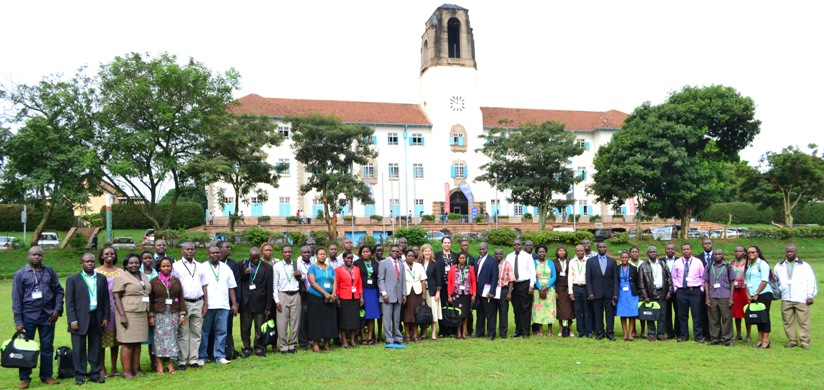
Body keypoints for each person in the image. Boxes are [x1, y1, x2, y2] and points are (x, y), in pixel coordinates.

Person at [12, 247, 64, 388]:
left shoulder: (49, 272)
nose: (36, 257)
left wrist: (57, 309)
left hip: (47, 315)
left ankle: (47, 375)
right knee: (26, 348)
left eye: (39, 255)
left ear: (43, 257)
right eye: (33, 254)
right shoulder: (20, 274)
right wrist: (18, 321)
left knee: (47, 347)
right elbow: (16, 299)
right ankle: (25, 378)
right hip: (28, 316)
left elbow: (59, 291)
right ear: (28, 256)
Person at [66, 253, 109, 385]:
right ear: (81, 263)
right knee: (78, 348)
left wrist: (106, 317)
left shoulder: (101, 278)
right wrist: (72, 320)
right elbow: (69, 301)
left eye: (92, 261)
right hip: (79, 319)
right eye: (87, 261)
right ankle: (80, 375)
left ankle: (95, 374)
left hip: (97, 317)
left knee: (95, 347)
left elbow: (106, 300)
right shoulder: (73, 279)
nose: (90, 263)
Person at [112, 253, 151, 379]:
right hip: (128, 313)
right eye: (131, 263)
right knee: (127, 343)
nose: (134, 265)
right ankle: (127, 371)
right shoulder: (122, 277)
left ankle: (136, 368)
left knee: (138, 342)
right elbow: (116, 296)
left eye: (136, 262)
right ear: (126, 264)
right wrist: (122, 315)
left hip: (142, 311)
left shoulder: (143, 275)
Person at [171, 242, 208, 370]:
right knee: (183, 333)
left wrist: (205, 304)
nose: (190, 251)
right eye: (187, 249)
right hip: (184, 303)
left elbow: (204, 285)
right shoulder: (176, 266)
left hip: (198, 302)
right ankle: (182, 360)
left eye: (192, 249)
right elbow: (174, 287)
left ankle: (193, 359)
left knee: (196, 333)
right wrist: (178, 306)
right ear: (182, 251)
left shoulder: (200, 266)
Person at [199, 245, 238, 364]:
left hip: (223, 305)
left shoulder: (226, 268)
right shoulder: (202, 267)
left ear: (220, 254)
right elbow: (201, 286)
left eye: (217, 253)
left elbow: (231, 287)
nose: (215, 255)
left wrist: (234, 304)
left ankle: (220, 355)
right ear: (208, 254)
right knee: (204, 332)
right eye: (212, 253)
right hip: (208, 306)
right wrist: (204, 305)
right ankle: (202, 356)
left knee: (222, 331)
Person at [774, 244, 817, 349]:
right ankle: (792, 340)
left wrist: (810, 295)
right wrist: (779, 291)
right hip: (786, 297)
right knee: (787, 320)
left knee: (803, 321)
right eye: (787, 251)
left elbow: (811, 280)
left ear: (796, 252)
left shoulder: (804, 266)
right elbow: (775, 281)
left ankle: (804, 341)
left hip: (801, 297)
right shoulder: (779, 266)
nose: (789, 253)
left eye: (792, 251)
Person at [148, 257, 185, 374]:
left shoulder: (176, 280)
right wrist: (151, 315)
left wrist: (182, 314)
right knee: (158, 339)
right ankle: (159, 364)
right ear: (159, 267)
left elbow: (181, 297)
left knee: (172, 339)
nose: (166, 268)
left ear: (171, 267)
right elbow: (150, 300)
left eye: (168, 266)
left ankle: (170, 363)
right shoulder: (154, 282)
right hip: (159, 314)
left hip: (173, 313)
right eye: (163, 266)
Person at [239, 248, 273, 357]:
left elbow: (269, 287)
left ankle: (258, 347)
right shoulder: (243, 264)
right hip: (246, 302)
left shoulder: (267, 267)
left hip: (260, 302)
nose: (256, 260)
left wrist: (268, 306)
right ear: (249, 256)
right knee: (245, 327)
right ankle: (247, 348)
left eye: (258, 258)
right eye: (253, 258)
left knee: (259, 327)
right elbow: (238, 280)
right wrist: (244, 273)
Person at [95, 246, 123, 378]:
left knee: (115, 340)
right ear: (102, 256)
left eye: (112, 253)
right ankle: (102, 368)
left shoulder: (121, 272)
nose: (109, 255)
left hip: (117, 308)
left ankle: (113, 367)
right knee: (101, 339)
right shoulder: (96, 272)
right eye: (106, 253)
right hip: (102, 309)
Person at [210, 241, 240, 361]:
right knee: (208, 330)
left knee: (225, 330)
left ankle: (226, 352)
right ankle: (208, 353)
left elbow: (235, 285)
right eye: (226, 247)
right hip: (211, 303)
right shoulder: (206, 266)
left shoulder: (231, 265)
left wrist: (236, 303)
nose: (229, 249)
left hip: (226, 303)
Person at [672, 243, 705, 343]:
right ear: (681, 251)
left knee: (697, 315)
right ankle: (683, 335)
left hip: (695, 290)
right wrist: (676, 289)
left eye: (688, 249)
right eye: (684, 249)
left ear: (691, 250)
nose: (686, 251)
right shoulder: (677, 262)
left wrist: (701, 289)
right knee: (682, 315)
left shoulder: (698, 262)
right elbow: (673, 276)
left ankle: (698, 336)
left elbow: (703, 276)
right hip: (681, 291)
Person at [637, 246, 672, 341]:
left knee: (662, 314)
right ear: (647, 254)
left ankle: (660, 334)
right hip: (650, 294)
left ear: (657, 253)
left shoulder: (662, 264)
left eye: (654, 251)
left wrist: (669, 292)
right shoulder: (643, 266)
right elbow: (640, 283)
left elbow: (669, 279)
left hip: (662, 292)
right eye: (650, 252)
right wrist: (645, 296)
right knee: (650, 314)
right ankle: (651, 334)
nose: (652, 253)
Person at [273, 244, 303, 354]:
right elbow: (275, 284)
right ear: (282, 253)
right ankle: (283, 346)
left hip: (295, 294)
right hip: (282, 295)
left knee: (295, 321)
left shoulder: (297, 264)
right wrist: (276, 300)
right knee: (282, 322)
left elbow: (303, 278)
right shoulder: (277, 266)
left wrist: (299, 275)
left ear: (292, 253)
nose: (287, 254)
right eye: (285, 252)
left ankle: (292, 344)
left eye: (289, 252)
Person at [307, 247, 338, 352]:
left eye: (324, 254)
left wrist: (333, 294)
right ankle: (315, 344)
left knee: (328, 320)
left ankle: (326, 343)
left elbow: (334, 281)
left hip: (329, 299)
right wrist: (325, 293)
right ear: (316, 256)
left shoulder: (330, 268)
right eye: (320, 254)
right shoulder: (312, 268)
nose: (323, 256)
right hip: (315, 298)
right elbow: (313, 282)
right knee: (316, 321)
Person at [703, 249, 735, 346]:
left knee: (727, 318)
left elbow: (732, 282)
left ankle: (727, 339)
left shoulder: (728, 267)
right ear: (713, 255)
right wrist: (707, 298)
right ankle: (715, 338)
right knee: (713, 319)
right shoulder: (708, 267)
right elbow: (706, 282)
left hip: (725, 296)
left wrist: (731, 297)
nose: (717, 256)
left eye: (719, 254)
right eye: (715, 254)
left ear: (722, 255)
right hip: (712, 296)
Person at [587, 242, 618, 341]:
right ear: (597, 248)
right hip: (596, 293)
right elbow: (588, 279)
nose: (602, 248)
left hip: (609, 293)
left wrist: (615, 293)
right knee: (598, 314)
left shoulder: (612, 261)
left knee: (610, 315)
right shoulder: (590, 261)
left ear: (606, 248)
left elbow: (615, 279)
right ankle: (600, 333)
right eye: (600, 247)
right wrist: (590, 293)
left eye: (604, 247)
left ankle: (610, 333)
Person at [745, 246, 774, 349]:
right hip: (753, 295)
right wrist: (748, 294)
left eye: (753, 252)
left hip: (763, 293)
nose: (750, 254)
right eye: (748, 253)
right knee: (758, 317)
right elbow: (747, 281)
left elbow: (764, 281)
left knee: (764, 316)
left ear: (758, 252)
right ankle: (760, 339)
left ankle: (766, 340)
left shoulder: (762, 264)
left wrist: (757, 293)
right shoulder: (749, 265)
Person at [507, 239, 536, 338]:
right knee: (516, 309)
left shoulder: (527, 256)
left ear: (521, 245)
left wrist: (531, 285)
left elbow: (532, 271)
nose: (517, 246)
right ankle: (518, 330)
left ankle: (526, 331)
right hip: (514, 285)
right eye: (515, 244)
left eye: (519, 244)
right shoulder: (509, 257)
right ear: (513, 246)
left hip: (525, 284)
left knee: (526, 309)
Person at [378, 245, 406, 344]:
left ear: (399, 253)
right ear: (390, 252)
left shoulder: (401, 264)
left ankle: (398, 337)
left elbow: (403, 281)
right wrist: (384, 293)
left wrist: (404, 294)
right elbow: (380, 279)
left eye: (397, 251)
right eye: (393, 251)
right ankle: (389, 338)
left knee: (397, 319)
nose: (395, 252)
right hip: (387, 295)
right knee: (387, 319)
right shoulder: (383, 263)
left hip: (398, 295)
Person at [335, 251, 363, 348]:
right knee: (344, 321)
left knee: (354, 320)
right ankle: (344, 341)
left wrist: (361, 297)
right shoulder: (338, 270)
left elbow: (359, 284)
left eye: (351, 258)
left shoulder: (357, 269)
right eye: (347, 258)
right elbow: (337, 285)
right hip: (344, 297)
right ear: (343, 259)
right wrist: (337, 298)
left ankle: (352, 340)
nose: (349, 260)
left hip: (355, 297)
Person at [354, 245, 381, 344]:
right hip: (361, 290)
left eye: (367, 251)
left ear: (371, 253)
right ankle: (362, 338)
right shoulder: (357, 263)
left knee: (371, 314)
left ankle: (370, 337)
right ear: (360, 253)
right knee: (362, 314)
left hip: (373, 291)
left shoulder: (375, 263)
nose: (365, 253)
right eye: (363, 252)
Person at [447, 252, 476, 339]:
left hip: (466, 295)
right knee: (458, 314)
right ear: (458, 259)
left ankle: (464, 333)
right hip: (456, 295)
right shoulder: (453, 268)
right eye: (460, 258)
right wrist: (449, 295)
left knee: (465, 315)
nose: (462, 260)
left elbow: (473, 282)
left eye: (463, 258)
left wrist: (474, 294)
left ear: (466, 259)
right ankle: (458, 332)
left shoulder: (470, 268)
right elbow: (450, 282)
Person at [473, 242, 498, 340]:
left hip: (488, 292)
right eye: (480, 249)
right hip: (479, 291)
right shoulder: (476, 260)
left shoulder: (492, 260)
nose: (482, 251)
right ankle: (479, 332)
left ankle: (491, 334)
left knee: (490, 313)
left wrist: (492, 291)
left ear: (487, 249)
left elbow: (495, 277)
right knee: (480, 313)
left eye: (484, 249)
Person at [568, 245, 593, 338]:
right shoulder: (572, 262)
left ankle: (588, 331)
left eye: (581, 250)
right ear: (575, 251)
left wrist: (591, 292)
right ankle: (580, 331)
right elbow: (570, 276)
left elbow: (591, 276)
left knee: (587, 311)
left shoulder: (589, 261)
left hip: (586, 287)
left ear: (584, 251)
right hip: (576, 287)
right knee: (578, 311)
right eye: (577, 251)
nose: (579, 252)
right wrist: (570, 291)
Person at [532, 245, 557, 337]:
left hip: (549, 290)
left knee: (550, 309)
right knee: (539, 310)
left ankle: (550, 330)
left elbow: (554, 276)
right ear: (537, 253)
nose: (541, 253)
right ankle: (540, 330)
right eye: (539, 252)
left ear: (546, 252)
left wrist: (546, 287)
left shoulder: (550, 263)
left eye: (543, 252)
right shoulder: (534, 263)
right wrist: (539, 288)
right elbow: (533, 276)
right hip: (537, 290)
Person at [435, 236, 458, 336]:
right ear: (442, 244)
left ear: (451, 244)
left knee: (453, 306)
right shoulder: (437, 255)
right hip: (442, 286)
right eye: (445, 242)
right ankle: (443, 330)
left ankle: (453, 330)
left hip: (453, 286)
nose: (447, 244)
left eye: (448, 242)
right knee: (442, 307)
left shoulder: (455, 256)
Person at [401, 249, 426, 342]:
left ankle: (415, 335)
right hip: (406, 293)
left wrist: (424, 293)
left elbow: (423, 280)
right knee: (406, 315)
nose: (410, 257)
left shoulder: (419, 266)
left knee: (416, 314)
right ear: (405, 256)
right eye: (408, 256)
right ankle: (407, 335)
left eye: (412, 256)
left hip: (417, 293)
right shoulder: (401, 266)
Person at [419, 244, 443, 340]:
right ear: (422, 252)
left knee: (433, 313)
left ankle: (433, 333)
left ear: (431, 252)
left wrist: (438, 292)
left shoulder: (435, 263)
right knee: (423, 312)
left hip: (433, 292)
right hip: (421, 292)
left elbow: (439, 279)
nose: (427, 253)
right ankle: (424, 333)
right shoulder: (419, 264)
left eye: (429, 251)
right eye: (425, 251)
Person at [139, 251, 157, 373]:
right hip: (140, 309)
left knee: (154, 337)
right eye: (145, 258)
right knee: (138, 337)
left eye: (150, 258)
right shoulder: (136, 274)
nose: (147, 260)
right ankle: (136, 364)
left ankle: (154, 362)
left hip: (155, 309)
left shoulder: (157, 273)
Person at [615, 250, 639, 341]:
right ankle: (625, 334)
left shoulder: (633, 268)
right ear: (620, 258)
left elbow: (636, 281)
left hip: (631, 294)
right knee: (623, 314)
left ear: (629, 258)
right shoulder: (617, 268)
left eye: (626, 257)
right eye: (622, 257)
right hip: (621, 293)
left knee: (632, 314)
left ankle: (630, 334)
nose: (624, 259)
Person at [730, 245, 750, 342]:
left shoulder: (748, 263)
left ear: (745, 253)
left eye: (740, 251)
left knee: (746, 312)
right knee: (737, 313)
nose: (738, 252)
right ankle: (738, 334)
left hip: (744, 290)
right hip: (734, 290)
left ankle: (748, 335)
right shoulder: (731, 263)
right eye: (736, 251)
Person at [296, 245, 314, 350]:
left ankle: (311, 338)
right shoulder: (297, 264)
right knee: (303, 317)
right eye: (304, 252)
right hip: (304, 294)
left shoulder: (313, 264)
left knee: (312, 317)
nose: (307, 254)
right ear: (301, 253)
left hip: (314, 293)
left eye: (308, 252)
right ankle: (303, 342)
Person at [553, 246, 575, 337]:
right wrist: (555, 290)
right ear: (557, 252)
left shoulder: (570, 261)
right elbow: (553, 275)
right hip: (559, 288)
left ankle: (570, 328)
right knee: (561, 309)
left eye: (563, 251)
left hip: (568, 288)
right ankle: (561, 328)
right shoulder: (553, 262)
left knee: (570, 309)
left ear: (565, 252)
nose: (561, 252)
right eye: (559, 251)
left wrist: (571, 289)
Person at [494, 248, 515, 338]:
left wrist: (509, 293)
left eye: (500, 254)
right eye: (497, 254)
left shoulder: (507, 264)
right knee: (492, 312)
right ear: (494, 255)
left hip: (503, 290)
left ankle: (503, 333)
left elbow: (511, 280)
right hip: (493, 291)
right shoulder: (492, 264)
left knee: (503, 312)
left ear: (503, 255)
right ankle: (492, 332)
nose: (499, 255)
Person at [661, 243, 680, 340]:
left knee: (679, 312)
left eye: (672, 249)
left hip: (677, 290)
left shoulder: (680, 260)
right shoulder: (660, 262)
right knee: (666, 312)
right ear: (665, 250)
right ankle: (669, 332)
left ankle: (678, 332)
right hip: (665, 291)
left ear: (675, 250)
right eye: (668, 249)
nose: (670, 250)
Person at [628, 245, 645, 337]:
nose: (634, 253)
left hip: (642, 290)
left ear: (639, 253)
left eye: (636, 252)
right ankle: (633, 330)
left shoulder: (643, 263)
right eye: (633, 252)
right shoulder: (627, 263)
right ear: (630, 254)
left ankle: (643, 331)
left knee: (643, 310)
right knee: (633, 311)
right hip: (631, 291)